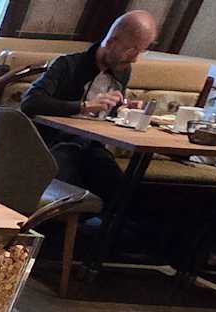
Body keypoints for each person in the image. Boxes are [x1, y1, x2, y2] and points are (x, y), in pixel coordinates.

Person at [19, 11, 160, 203]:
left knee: (122, 192)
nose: (135, 59)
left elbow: (105, 113)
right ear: (110, 42)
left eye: (140, 51)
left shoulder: (123, 69)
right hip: (54, 145)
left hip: (92, 147)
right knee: (72, 175)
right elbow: (30, 102)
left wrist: (124, 107)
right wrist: (83, 106)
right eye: (131, 50)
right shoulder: (68, 65)